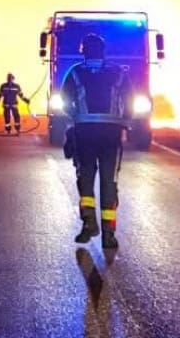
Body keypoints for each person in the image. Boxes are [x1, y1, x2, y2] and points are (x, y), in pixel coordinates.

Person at [61, 33, 132, 249]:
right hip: (111, 134)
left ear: (83, 51)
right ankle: (108, 235)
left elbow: (64, 102)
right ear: (103, 51)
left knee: (86, 178)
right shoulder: (119, 72)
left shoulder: (75, 72)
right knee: (109, 181)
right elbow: (130, 102)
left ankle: (89, 224)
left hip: (84, 133)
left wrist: (75, 117)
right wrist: (124, 124)